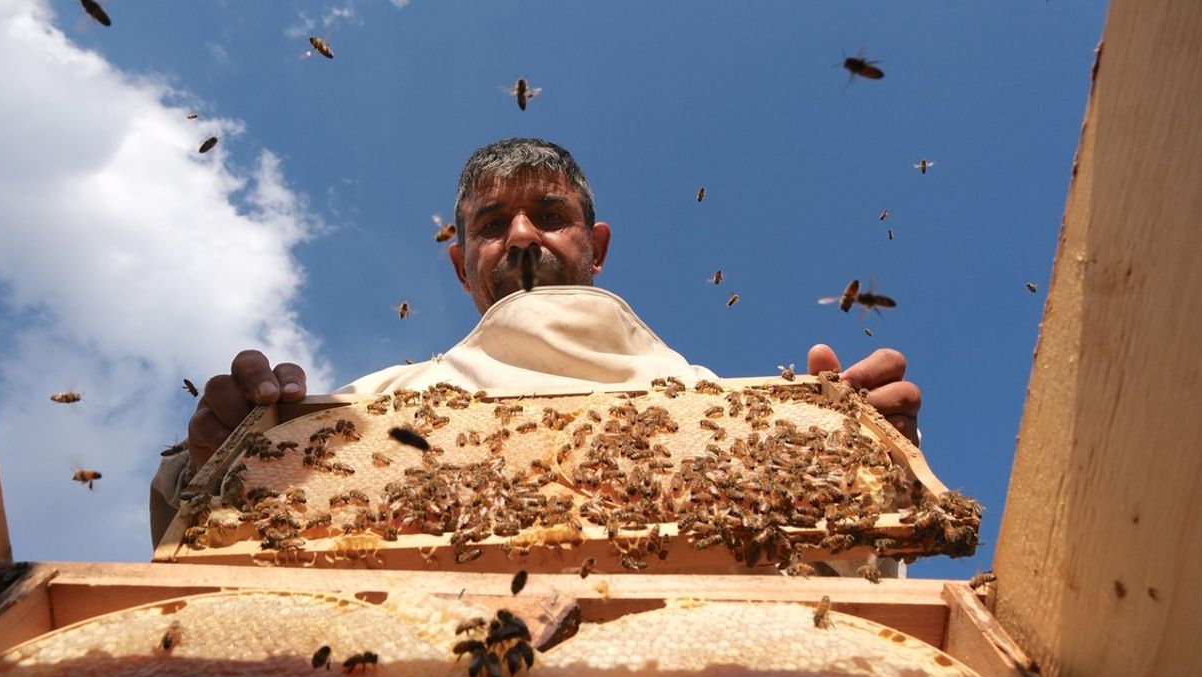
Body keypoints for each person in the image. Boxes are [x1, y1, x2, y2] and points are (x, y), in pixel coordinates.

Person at [150, 138, 922, 563]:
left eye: (550, 214)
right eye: (492, 224)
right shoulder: (377, 403)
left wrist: (867, 462)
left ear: (598, 245)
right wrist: (214, 458)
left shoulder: (720, 410)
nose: (521, 236)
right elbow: (208, 541)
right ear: (460, 265)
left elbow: (843, 592)